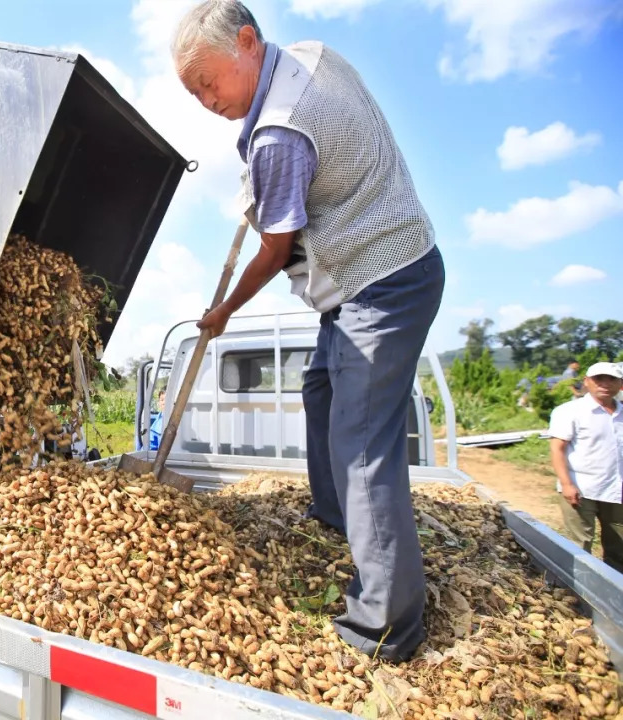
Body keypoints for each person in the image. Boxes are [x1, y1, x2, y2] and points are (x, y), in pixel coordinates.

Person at [170, 0, 444, 661]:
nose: (208, 101)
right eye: (196, 93)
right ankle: (338, 517)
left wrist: (224, 312)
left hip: (384, 281)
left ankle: (385, 624)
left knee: (362, 444)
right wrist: (264, 181)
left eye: (209, 82)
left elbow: (274, 248)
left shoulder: (278, 136)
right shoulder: (312, 57)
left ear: (246, 42)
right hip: (367, 277)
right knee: (322, 388)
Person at [548, 362, 623, 572]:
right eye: (599, 379)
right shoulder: (570, 411)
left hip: (616, 491)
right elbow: (557, 449)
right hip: (582, 489)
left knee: (618, 547)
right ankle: (578, 591)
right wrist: (566, 484)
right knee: (579, 544)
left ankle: (614, 592)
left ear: (621, 384)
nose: (605, 384)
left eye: (612, 379)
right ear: (587, 382)